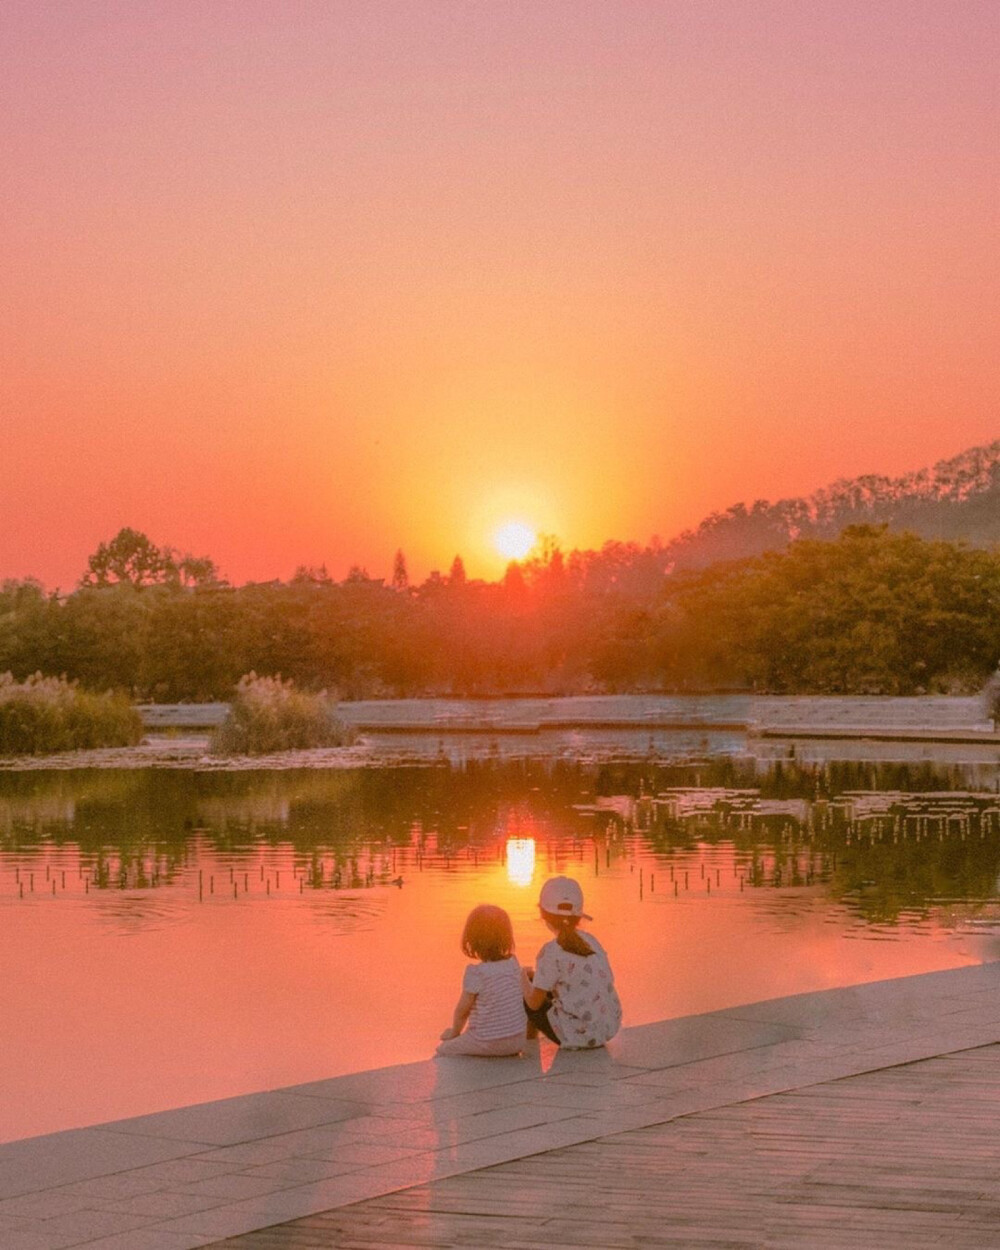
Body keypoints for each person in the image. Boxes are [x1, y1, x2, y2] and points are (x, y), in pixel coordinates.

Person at [522, 876, 622, 1049]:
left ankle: (529, 1048)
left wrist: (522, 977)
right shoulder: (592, 941)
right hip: (607, 1029)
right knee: (541, 986)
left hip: (579, 1036)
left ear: (543, 915)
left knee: (526, 995)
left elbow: (533, 1003)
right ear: (579, 916)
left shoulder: (551, 951)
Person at [436, 904, 527, 1056]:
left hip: (487, 1042)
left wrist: (454, 1032)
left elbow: (462, 1011)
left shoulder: (477, 973)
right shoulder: (513, 964)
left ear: (472, 940)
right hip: (517, 1041)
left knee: (443, 1050)